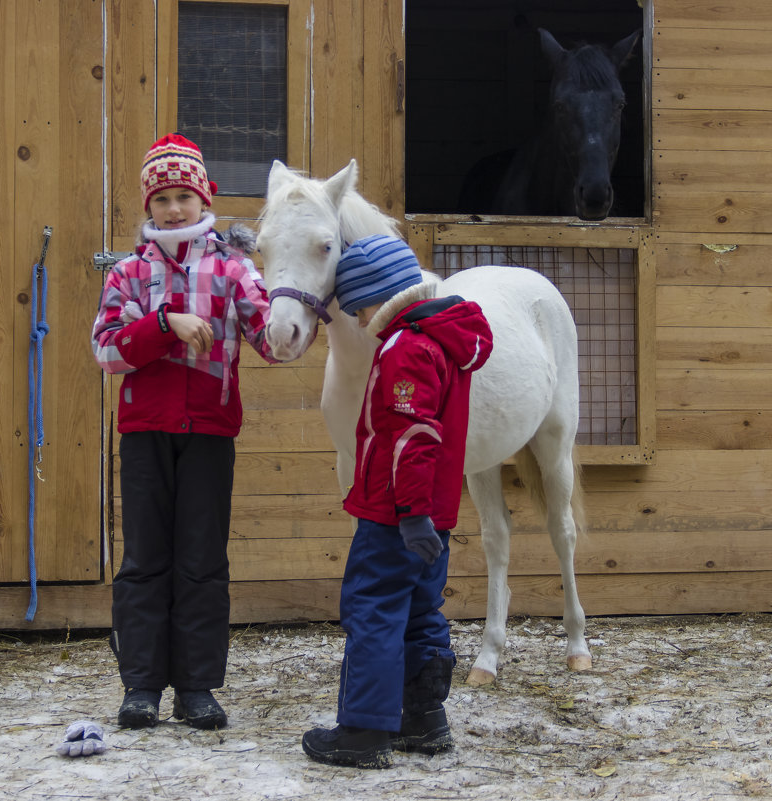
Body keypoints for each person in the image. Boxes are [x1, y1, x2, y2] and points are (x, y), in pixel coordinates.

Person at [91, 133, 278, 730]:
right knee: (145, 559)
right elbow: (107, 351)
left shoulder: (233, 268)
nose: (174, 209)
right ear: (148, 206)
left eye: (184, 196)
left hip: (209, 432)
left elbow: (270, 340)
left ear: (204, 199)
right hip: (145, 432)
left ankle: (197, 687)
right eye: (163, 197)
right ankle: (141, 686)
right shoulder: (127, 274)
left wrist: (307, 301)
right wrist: (167, 324)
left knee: (200, 560)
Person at [301, 235, 494, 768]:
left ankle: (363, 732)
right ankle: (424, 720)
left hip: (397, 515)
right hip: (436, 514)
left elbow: (412, 437)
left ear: (379, 298)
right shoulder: (446, 340)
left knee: (373, 611)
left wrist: (409, 515)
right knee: (419, 611)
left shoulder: (407, 346)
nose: (361, 321)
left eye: (360, 308)